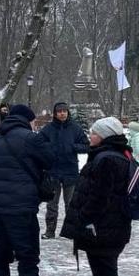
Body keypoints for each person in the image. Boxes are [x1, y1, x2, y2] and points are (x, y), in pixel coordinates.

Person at [62, 116, 134, 276]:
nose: (90, 136)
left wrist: (83, 217)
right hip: (110, 227)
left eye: (94, 133)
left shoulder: (107, 159)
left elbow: (99, 197)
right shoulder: (113, 155)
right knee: (104, 275)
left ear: (105, 136)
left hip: (104, 229)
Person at [0, 104, 55, 276]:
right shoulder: (29, 138)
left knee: (0, 253)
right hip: (22, 206)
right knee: (28, 257)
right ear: (28, 120)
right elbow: (49, 159)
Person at [40, 101, 89, 239]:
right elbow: (38, 143)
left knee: (71, 204)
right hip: (53, 171)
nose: (62, 114)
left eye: (64, 111)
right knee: (52, 204)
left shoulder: (75, 128)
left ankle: (70, 231)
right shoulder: (48, 129)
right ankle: (50, 230)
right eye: (59, 112)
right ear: (55, 114)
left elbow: (86, 146)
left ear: (68, 112)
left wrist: (73, 147)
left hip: (70, 170)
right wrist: (49, 148)